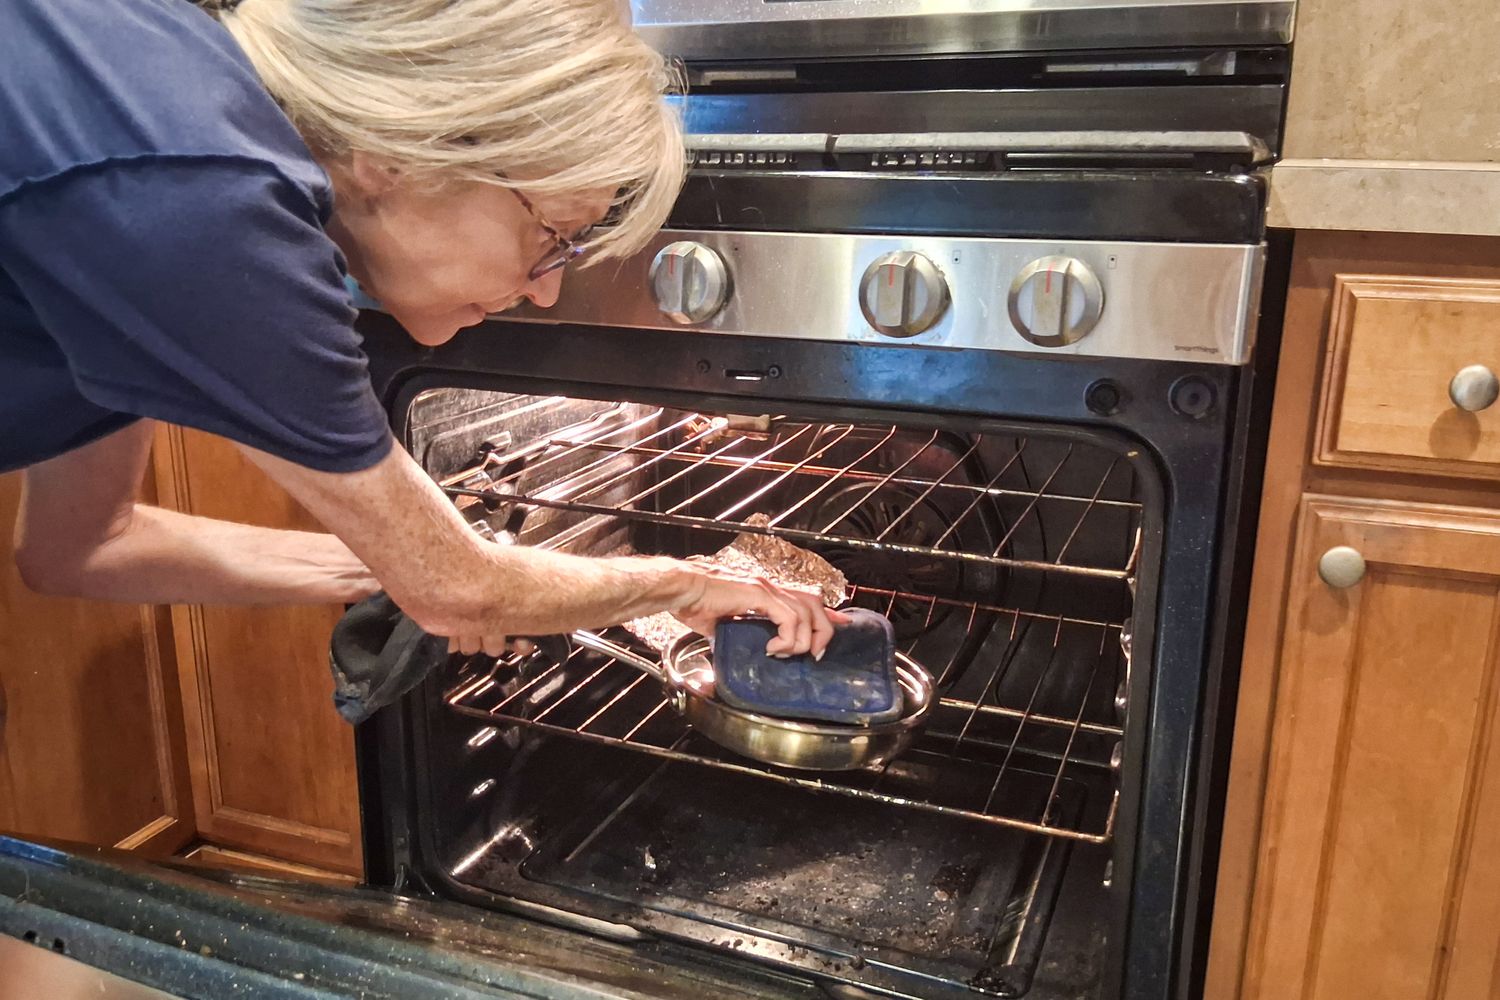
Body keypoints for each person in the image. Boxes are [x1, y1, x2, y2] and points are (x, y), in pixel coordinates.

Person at [0, 0, 841, 665]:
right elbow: (457, 591)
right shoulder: (206, 201)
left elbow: (84, 547)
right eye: (553, 235)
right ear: (404, 151)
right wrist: (683, 585)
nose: (545, 290)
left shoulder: (174, 129)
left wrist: (402, 568)